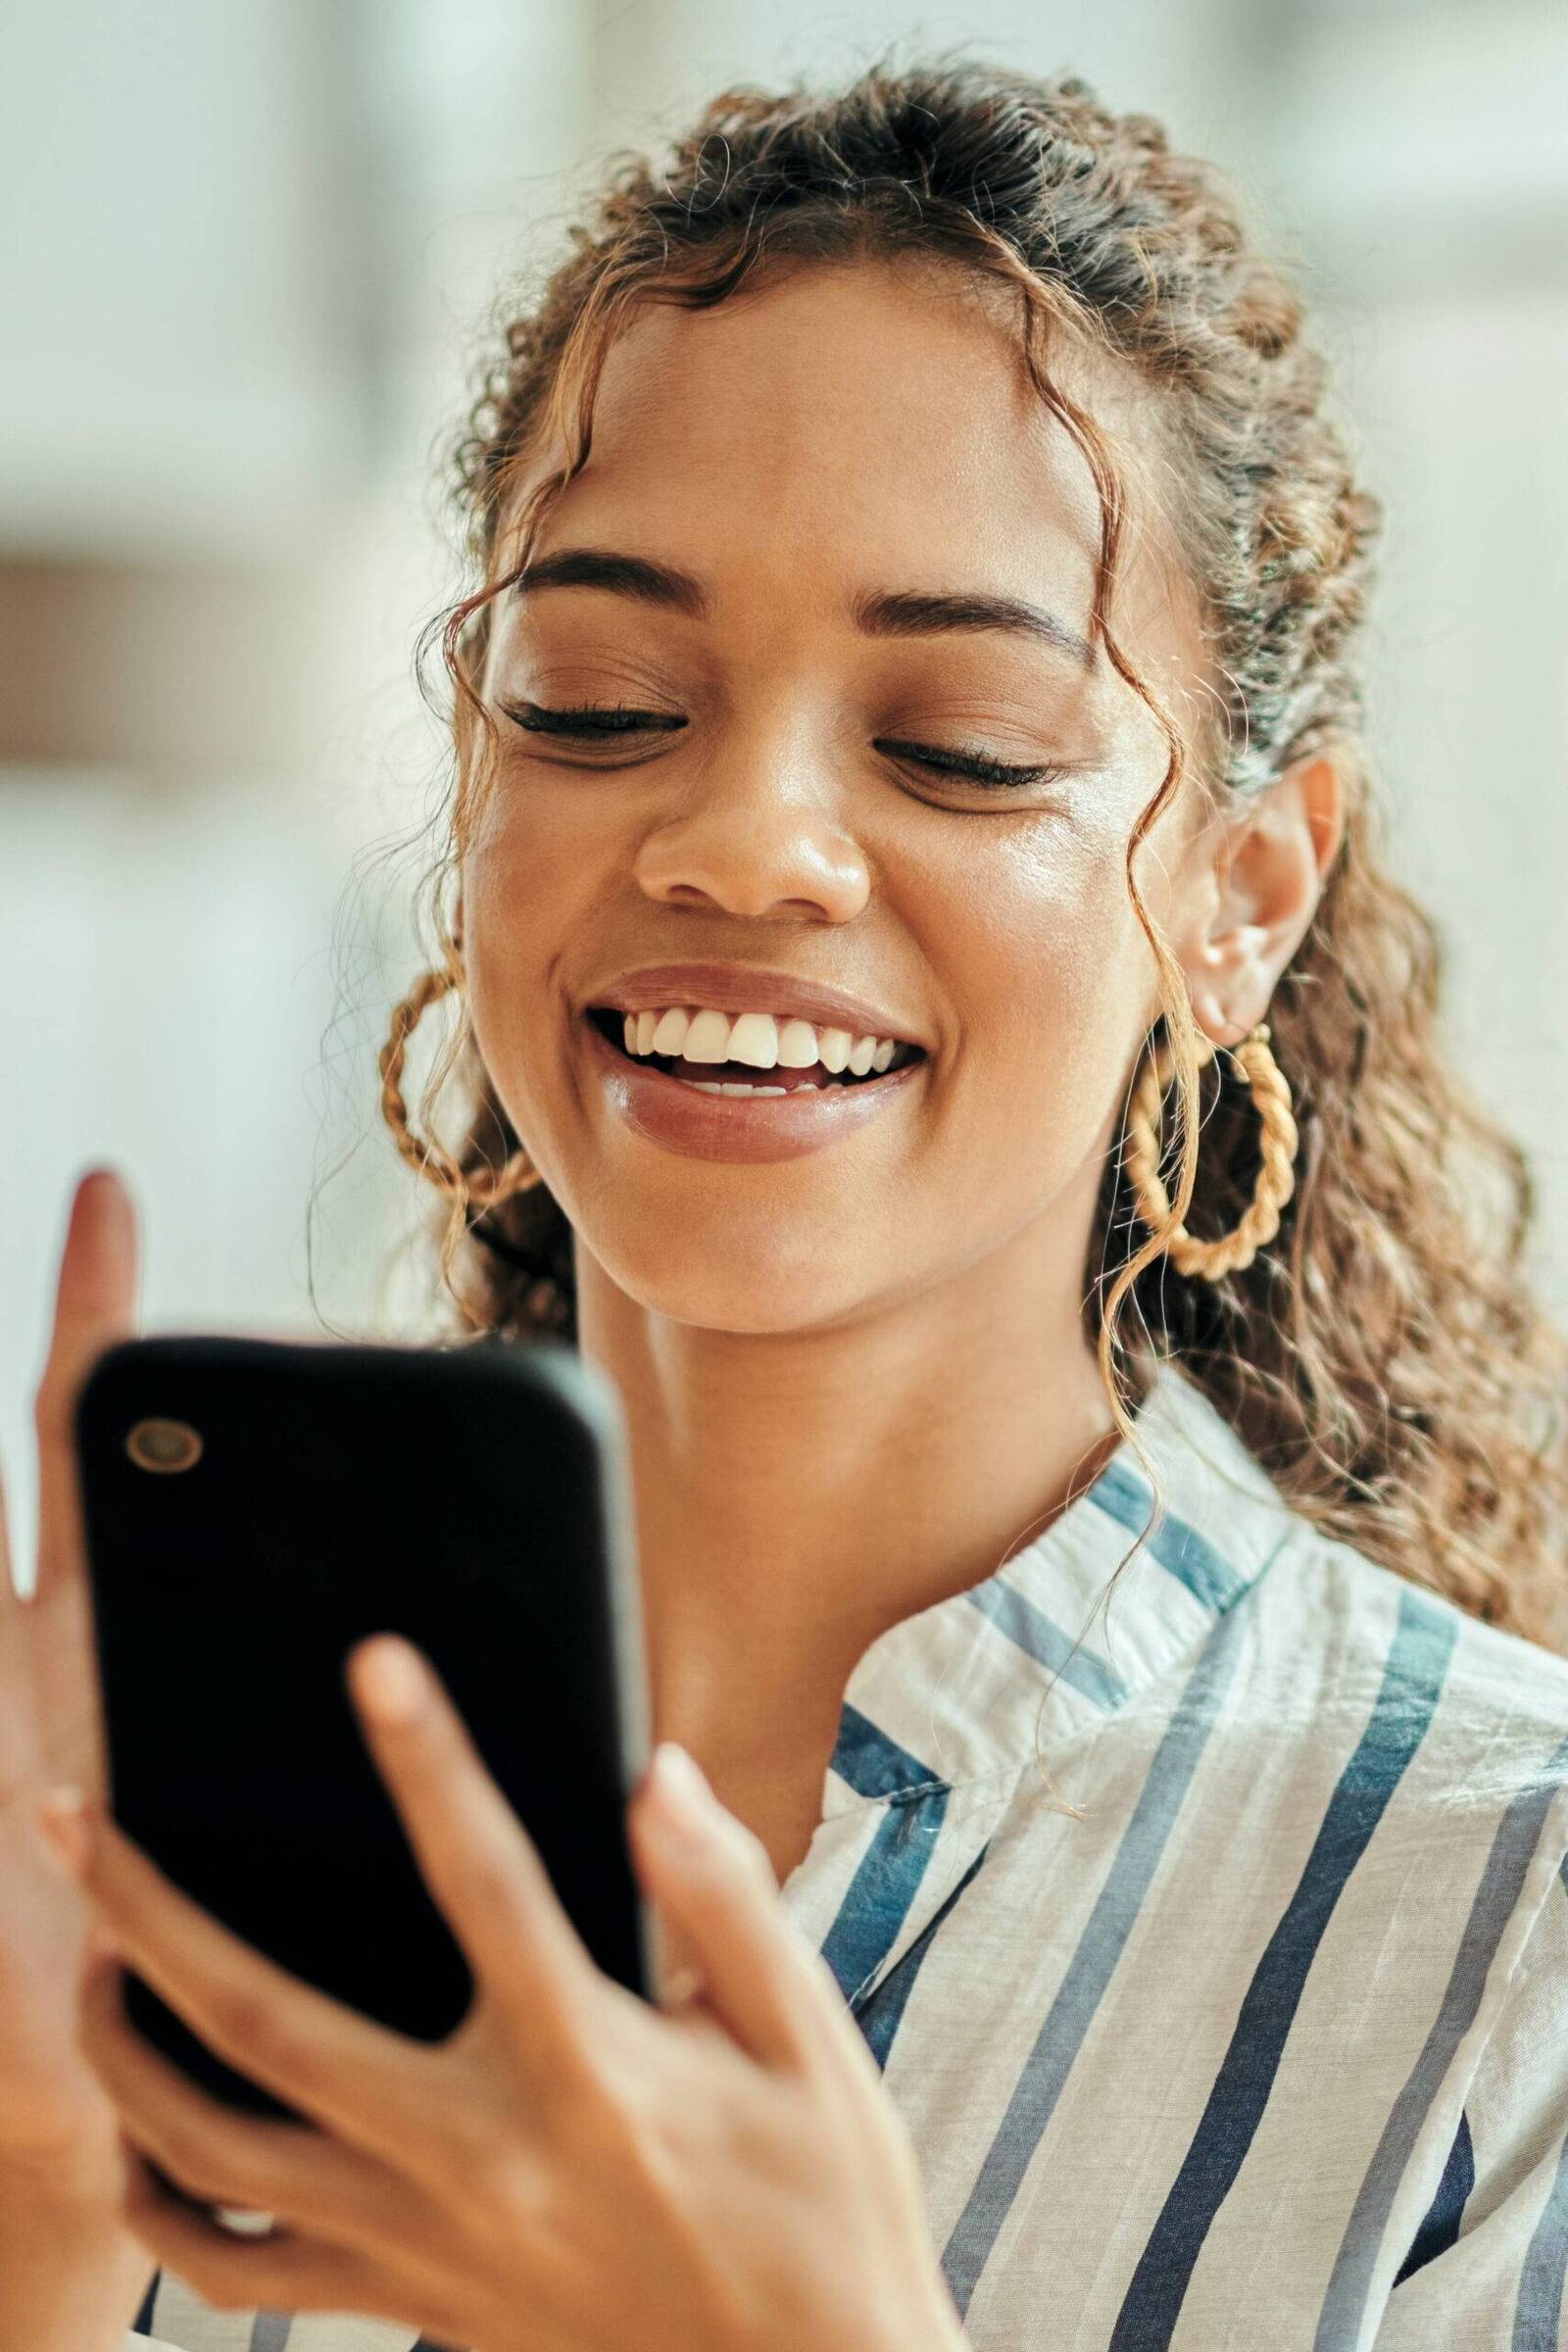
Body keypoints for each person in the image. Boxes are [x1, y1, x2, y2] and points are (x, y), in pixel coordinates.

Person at [4, 53, 1566, 2352]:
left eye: (961, 748)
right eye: (599, 698)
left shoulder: (1499, 1940)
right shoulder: (154, 1796)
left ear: (1238, 898)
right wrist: (42, 2213)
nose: (742, 845)